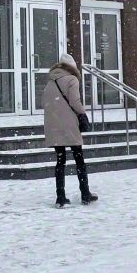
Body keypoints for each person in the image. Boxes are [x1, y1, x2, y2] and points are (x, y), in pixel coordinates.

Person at [41, 52, 97, 207]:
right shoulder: (72, 79)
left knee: (60, 161)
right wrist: (83, 114)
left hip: (54, 125)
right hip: (70, 124)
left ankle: (60, 197)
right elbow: (75, 102)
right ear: (72, 67)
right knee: (79, 159)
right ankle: (85, 194)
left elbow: (44, 102)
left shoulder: (50, 82)